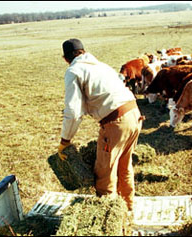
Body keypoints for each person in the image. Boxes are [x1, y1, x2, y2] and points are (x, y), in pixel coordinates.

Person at [57, 38, 143, 211]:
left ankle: (108, 216)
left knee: (104, 172)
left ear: (65, 58)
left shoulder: (74, 71)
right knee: (124, 165)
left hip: (116, 122)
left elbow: (73, 113)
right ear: (83, 51)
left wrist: (65, 141)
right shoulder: (101, 65)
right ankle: (128, 208)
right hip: (135, 114)